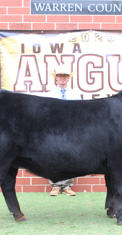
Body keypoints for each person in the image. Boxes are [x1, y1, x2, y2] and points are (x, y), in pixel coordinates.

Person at [47, 64, 81, 196]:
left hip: (70, 130)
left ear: (68, 78)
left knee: (69, 157)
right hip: (54, 130)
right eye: (60, 76)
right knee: (53, 157)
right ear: (56, 78)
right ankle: (55, 186)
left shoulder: (75, 95)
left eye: (65, 76)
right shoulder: (49, 95)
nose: (62, 78)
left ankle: (67, 186)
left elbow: (79, 113)